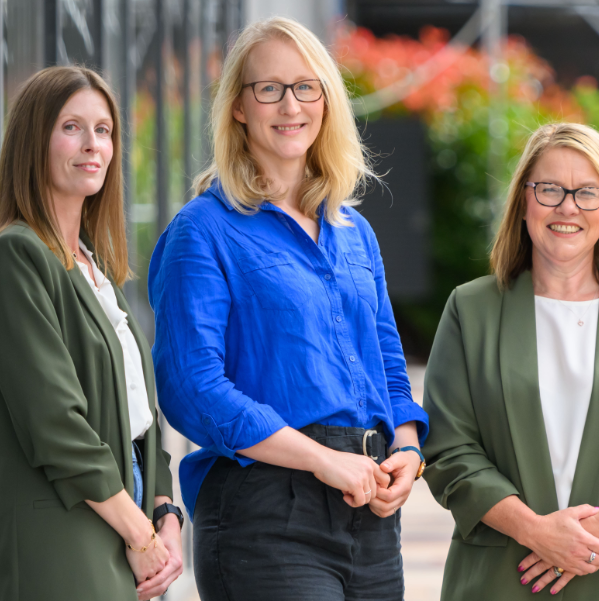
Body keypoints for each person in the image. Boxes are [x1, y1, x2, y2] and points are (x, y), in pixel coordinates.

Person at [148, 16, 427, 601]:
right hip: (266, 515)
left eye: (306, 86)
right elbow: (192, 388)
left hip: (370, 515)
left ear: (326, 101)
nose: (289, 104)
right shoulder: (203, 231)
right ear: (239, 108)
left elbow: (388, 367)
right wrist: (320, 459)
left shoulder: (355, 233)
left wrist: (406, 449)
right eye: (268, 88)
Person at [420, 122, 599, 600]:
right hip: (504, 577)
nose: (567, 207)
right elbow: (448, 450)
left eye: (587, 193)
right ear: (523, 202)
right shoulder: (470, 310)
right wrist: (536, 531)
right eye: (550, 189)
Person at [0, 65, 183, 601]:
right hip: (61, 527)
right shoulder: (15, 257)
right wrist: (140, 532)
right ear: (31, 141)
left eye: (104, 130)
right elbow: (54, 423)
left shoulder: (93, 266)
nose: (93, 145)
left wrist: (165, 512)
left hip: (125, 512)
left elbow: (139, 410)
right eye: (71, 127)